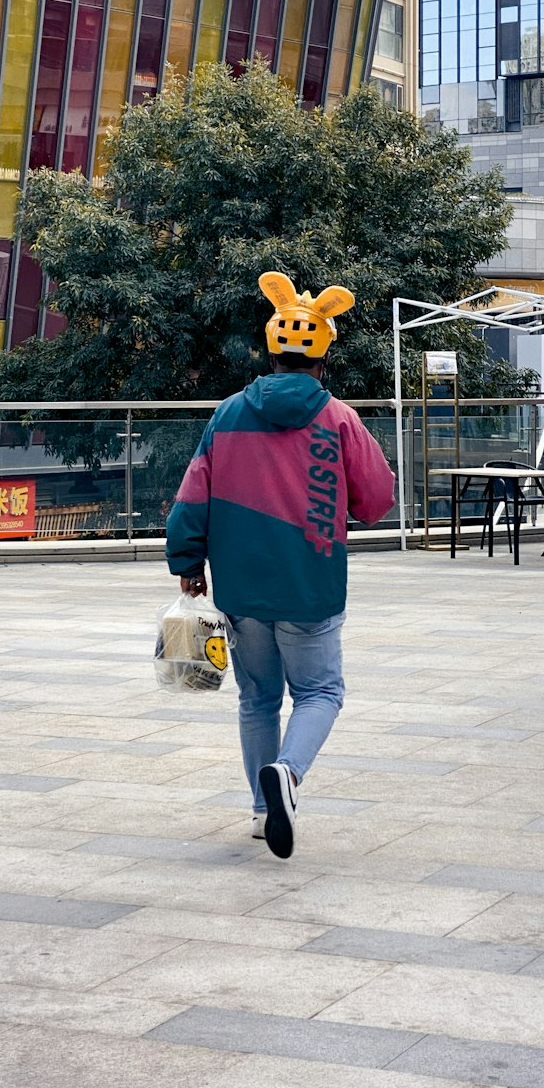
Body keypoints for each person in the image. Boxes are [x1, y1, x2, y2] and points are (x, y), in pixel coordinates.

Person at [165, 272, 395, 859]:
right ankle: (288, 776)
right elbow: (377, 500)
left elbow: (193, 495)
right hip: (310, 581)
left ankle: (264, 810)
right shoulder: (339, 419)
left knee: (257, 699)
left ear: (271, 352)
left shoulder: (228, 414)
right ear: (322, 358)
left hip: (241, 587)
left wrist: (188, 562)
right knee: (320, 691)